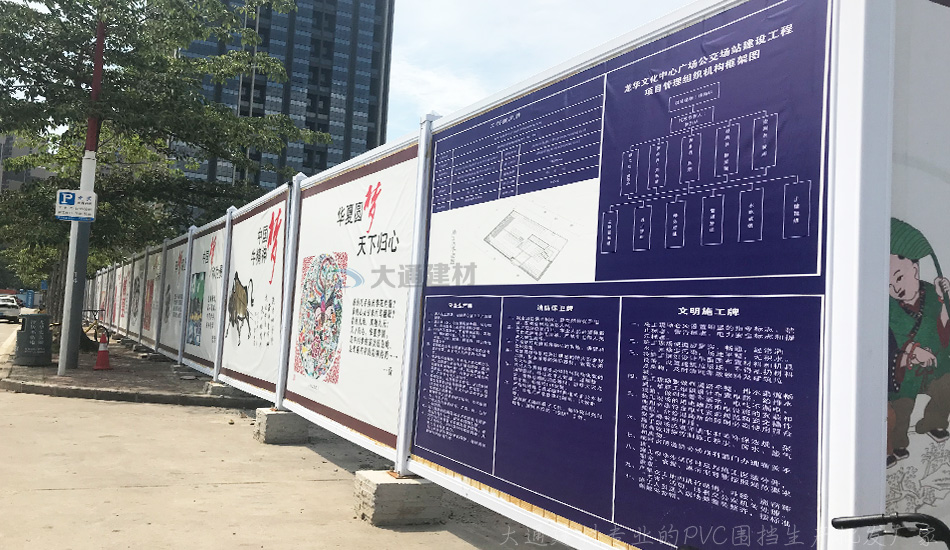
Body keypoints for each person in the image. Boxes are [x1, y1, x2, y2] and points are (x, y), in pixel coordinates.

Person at [888, 218, 950, 468]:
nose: (895, 288)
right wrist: (912, 352)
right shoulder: (887, 307)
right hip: (905, 372)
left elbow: (944, 332)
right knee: (901, 408)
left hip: (934, 365)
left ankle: (933, 422)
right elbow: (889, 344)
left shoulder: (932, 293)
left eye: (899, 277)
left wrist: (944, 300)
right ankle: (898, 444)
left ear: (914, 268)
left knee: (946, 386)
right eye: (889, 284)